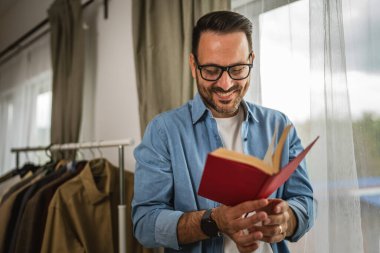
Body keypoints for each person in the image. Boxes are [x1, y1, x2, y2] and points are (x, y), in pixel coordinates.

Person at [132, 11, 314, 253]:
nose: (225, 84)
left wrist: (286, 220)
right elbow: (144, 224)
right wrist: (213, 221)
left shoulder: (279, 126)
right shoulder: (164, 131)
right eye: (211, 70)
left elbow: (306, 203)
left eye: (237, 69)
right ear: (193, 65)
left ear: (251, 59)